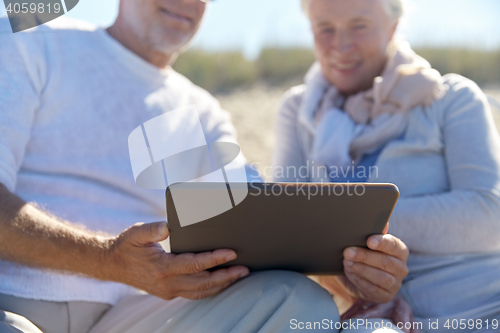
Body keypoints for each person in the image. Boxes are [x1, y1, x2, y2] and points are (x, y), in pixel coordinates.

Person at [0, 0, 411, 332]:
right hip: (17, 301)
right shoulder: (32, 43)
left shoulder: (203, 113)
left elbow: (260, 232)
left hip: (137, 313)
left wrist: (354, 275)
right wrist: (109, 258)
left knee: (297, 300)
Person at [273, 0, 500, 331]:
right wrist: (360, 282)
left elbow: (489, 215)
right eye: (325, 29)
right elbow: (283, 224)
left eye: (359, 25)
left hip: (478, 306)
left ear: (393, 27)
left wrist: (351, 225)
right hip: (367, 317)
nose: (341, 45)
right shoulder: (298, 111)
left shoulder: (451, 98)